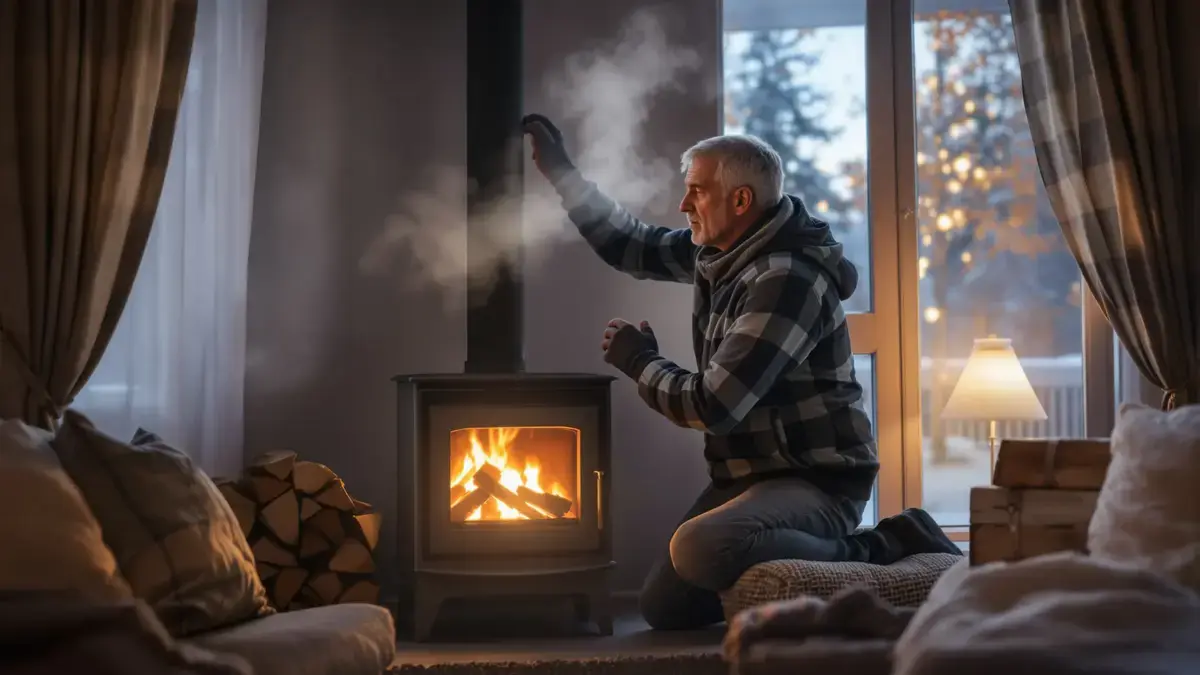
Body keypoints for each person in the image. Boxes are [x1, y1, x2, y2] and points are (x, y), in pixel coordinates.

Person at [521, 114, 962, 630]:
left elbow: (715, 407)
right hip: (748, 477)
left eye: (696, 192)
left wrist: (640, 361)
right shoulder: (722, 251)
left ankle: (887, 541)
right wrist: (561, 172)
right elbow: (630, 245)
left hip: (815, 481)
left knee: (700, 548)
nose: (684, 205)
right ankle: (766, 548)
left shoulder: (786, 278)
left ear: (741, 201)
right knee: (664, 606)